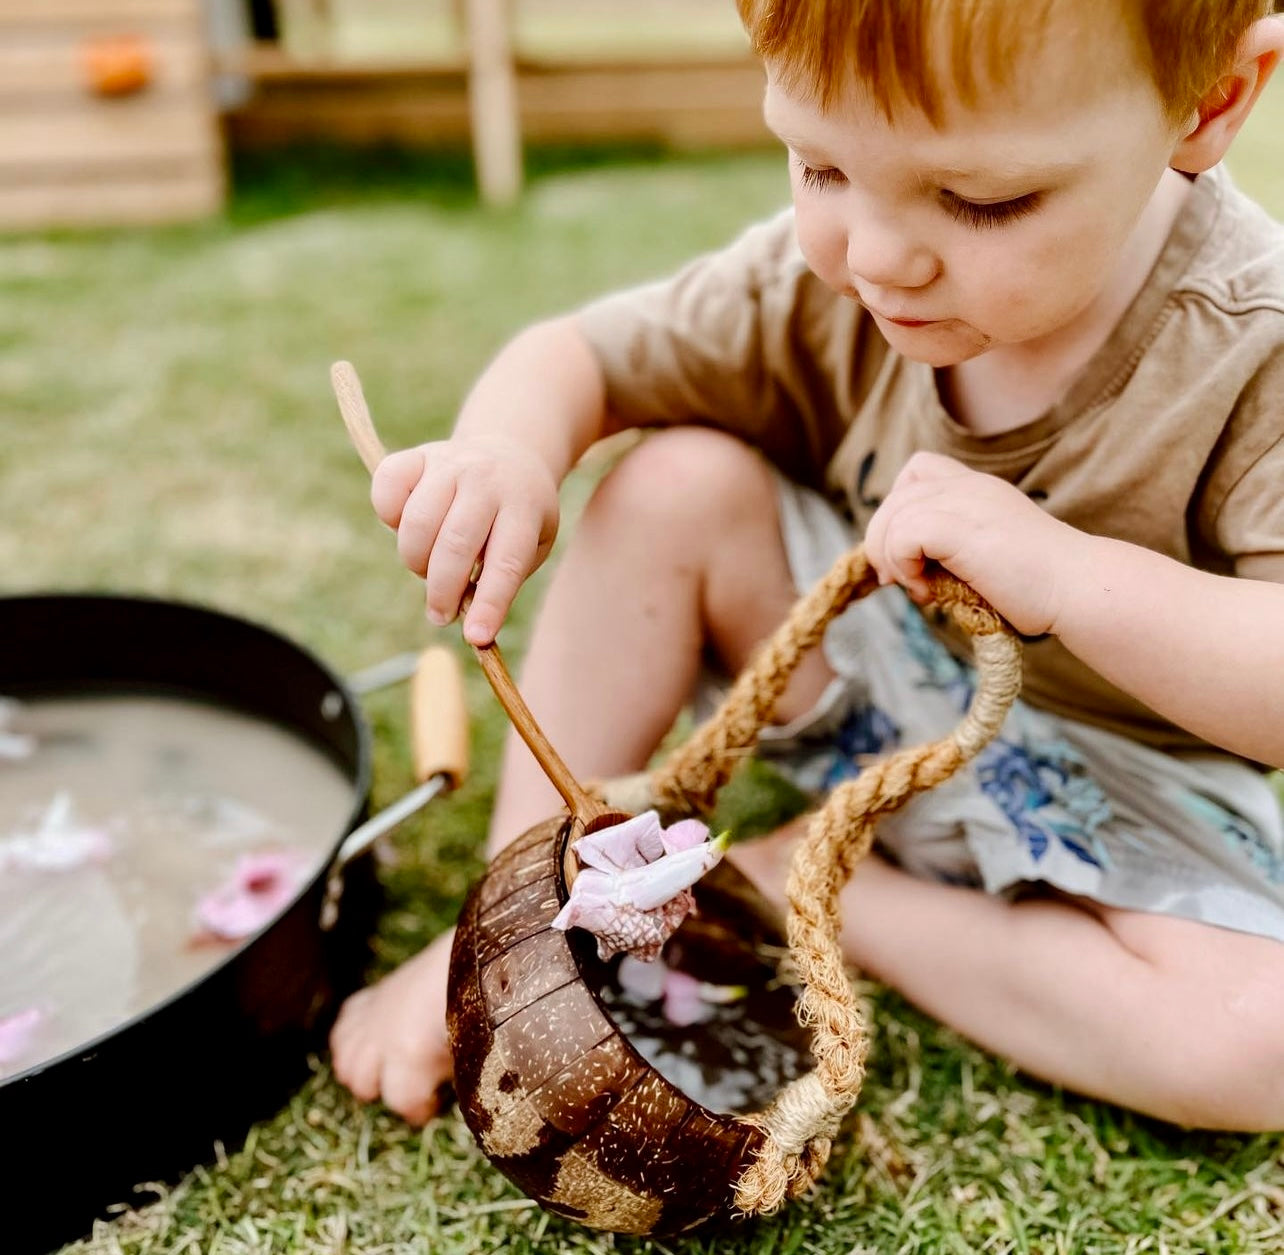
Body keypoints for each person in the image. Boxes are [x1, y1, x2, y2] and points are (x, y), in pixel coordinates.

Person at [330, 0, 1284, 1133]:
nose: (873, 256)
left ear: (1214, 99)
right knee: (674, 482)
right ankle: (524, 909)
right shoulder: (821, 282)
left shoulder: (1251, 344)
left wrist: (1065, 575)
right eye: (819, 165)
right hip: (875, 691)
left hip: (1129, 785)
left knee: (1256, 1045)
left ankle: (819, 884)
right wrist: (507, 455)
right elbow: (577, 357)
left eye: (983, 200)